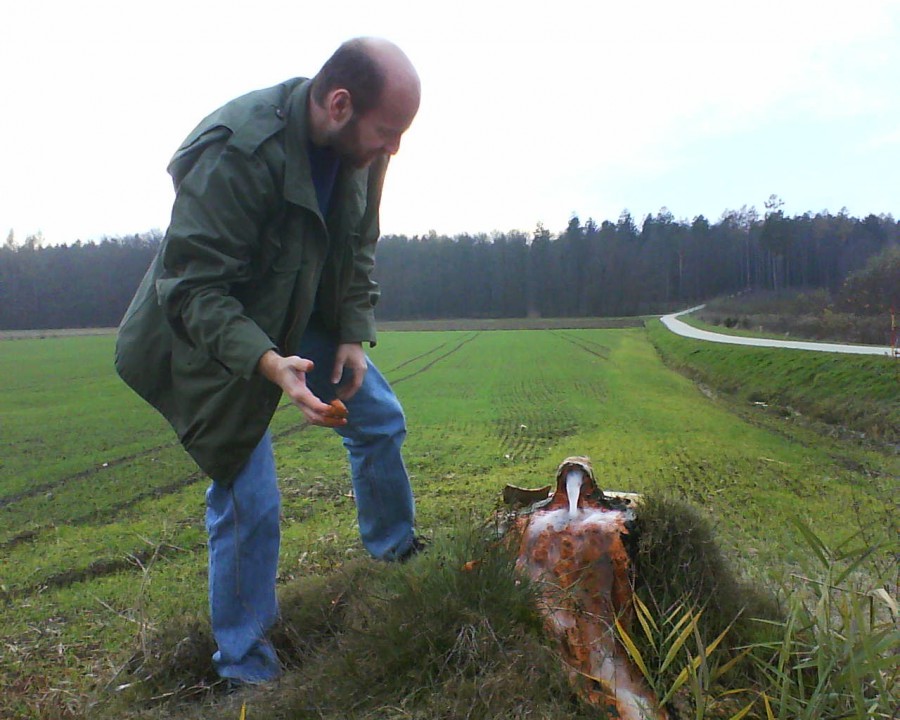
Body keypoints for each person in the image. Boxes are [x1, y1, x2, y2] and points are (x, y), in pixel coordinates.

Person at [115, 37, 422, 685]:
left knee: (380, 420)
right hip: (207, 335)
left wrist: (349, 331)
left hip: (294, 306)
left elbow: (358, 243)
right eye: (387, 132)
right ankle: (246, 670)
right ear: (339, 104)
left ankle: (397, 560)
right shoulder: (237, 152)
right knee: (248, 498)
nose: (393, 149)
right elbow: (191, 291)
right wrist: (268, 363)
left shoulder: (362, 149)